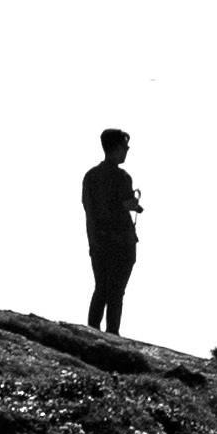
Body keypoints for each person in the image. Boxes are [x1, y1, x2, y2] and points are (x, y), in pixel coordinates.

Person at [81, 128, 142, 335]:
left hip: (98, 242)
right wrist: (133, 205)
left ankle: (92, 332)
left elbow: (89, 208)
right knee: (115, 293)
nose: (127, 151)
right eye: (125, 147)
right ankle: (112, 336)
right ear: (116, 148)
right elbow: (125, 204)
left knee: (101, 289)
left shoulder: (90, 177)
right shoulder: (122, 177)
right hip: (121, 242)